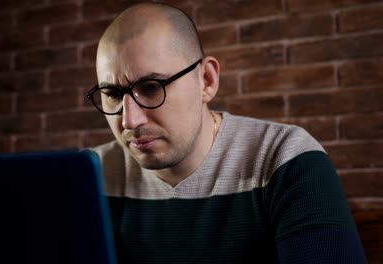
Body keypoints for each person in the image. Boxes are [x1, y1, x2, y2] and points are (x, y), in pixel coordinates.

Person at [87, 2, 367, 263]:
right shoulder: (87, 177)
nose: (129, 121)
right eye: (111, 94)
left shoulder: (285, 160)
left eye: (151, 88)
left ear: (206, 80)